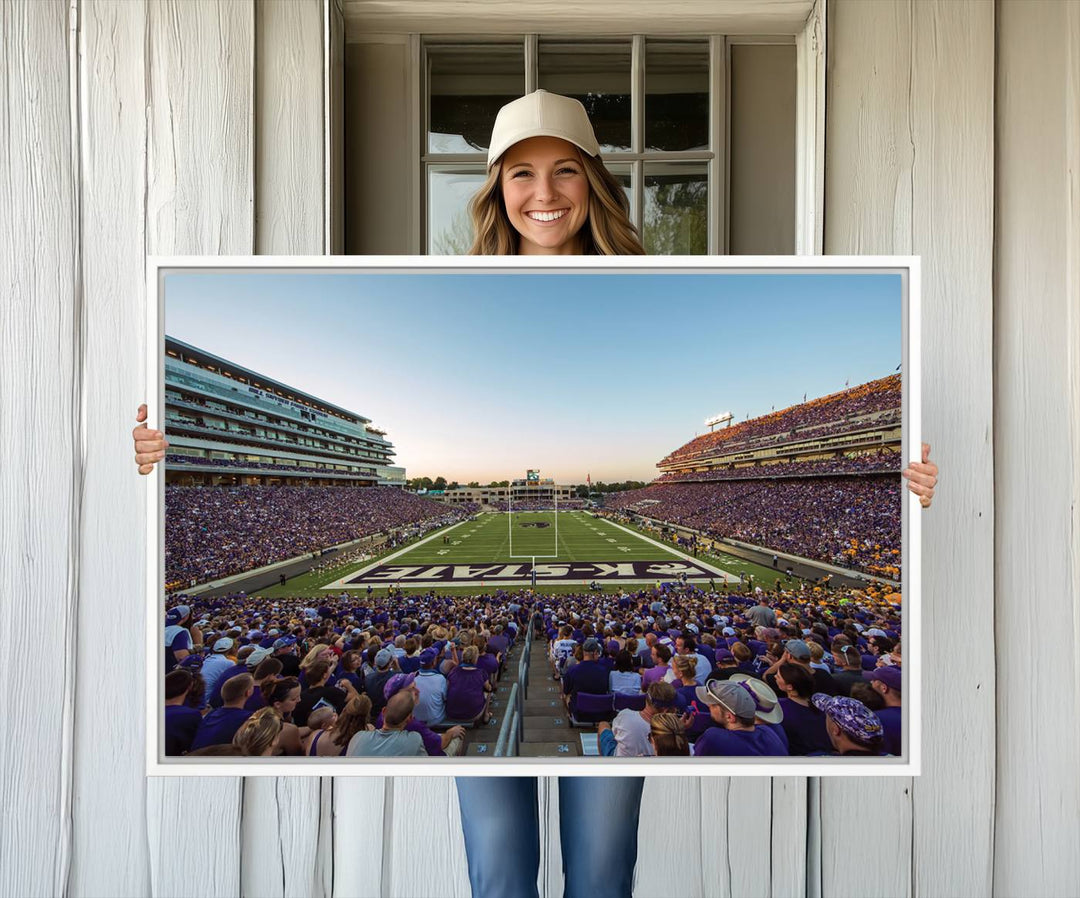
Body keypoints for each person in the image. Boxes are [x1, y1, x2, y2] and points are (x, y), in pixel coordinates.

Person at [135, 88, 938, 898]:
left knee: (600, 871)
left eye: (564, 171)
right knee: (499, 872)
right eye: (521, 173)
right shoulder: (451, 280)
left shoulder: (655, 277)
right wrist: (154, 460)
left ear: (594, 181)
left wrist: (911, 487)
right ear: (495, 189)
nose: (544, 193)